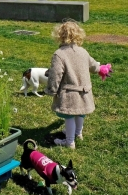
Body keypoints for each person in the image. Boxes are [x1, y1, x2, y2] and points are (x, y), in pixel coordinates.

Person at [45, 20, 112, 149]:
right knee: (80, 113)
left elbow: (55, 74)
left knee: (69, 116)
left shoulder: (59, 54)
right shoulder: (83, 52)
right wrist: (101, 69)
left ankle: (69, 142)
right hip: (84, 92)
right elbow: (93, 65)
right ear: (78, 35)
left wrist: (51, 89)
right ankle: (78, 133)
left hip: (70, 93)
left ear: (60, 35)